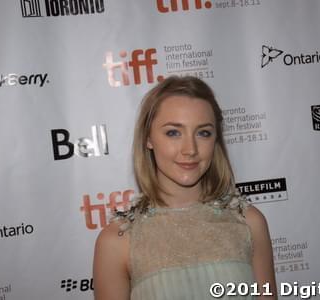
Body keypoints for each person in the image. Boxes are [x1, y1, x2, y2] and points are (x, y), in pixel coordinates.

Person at [93, 76, 277, 299]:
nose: (190, 149)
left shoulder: (248, 223)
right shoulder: (118, 241)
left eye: (203, 133)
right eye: (173, 132)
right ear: (148, 138)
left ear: (216, 140)